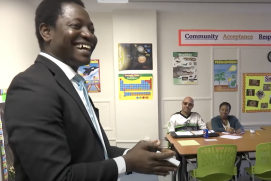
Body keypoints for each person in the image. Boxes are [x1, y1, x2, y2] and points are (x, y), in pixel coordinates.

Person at [3, 0, 177, 181]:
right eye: (76, 26)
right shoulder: (31, 87)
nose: (89, 35)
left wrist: (135, 153)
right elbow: (56, 177)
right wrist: (127, 162)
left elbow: (96, 150)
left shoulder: (74, 84)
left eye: (91, 29)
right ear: (47, 32)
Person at [211, 102, 244, 179]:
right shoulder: (215, 119)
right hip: (220, 144)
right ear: (219, 110)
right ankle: (223, 172)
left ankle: (235, 173)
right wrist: (226, 129)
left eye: (226, 110)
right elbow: (215, 129)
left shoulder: (233, 118)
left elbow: (241, 127)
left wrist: (239, 129)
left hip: (233, 143)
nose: (224, 112)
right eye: (222, 109)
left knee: (239, 153)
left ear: (229, 111)